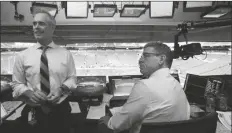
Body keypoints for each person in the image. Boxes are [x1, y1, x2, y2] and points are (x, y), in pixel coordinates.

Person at [100, 42, 190, 133]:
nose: (140, 60)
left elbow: (119, 124)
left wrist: (109, 121)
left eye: (146, 56)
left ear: (161, 59)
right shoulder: (176, 84)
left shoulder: (144, 86)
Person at [12, 11, 76, 133]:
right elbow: (16, 84)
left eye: (41, 23)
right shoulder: (22, 56)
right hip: (33, 111)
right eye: (34, 23)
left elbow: (72, 78)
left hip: (60, 111)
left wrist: (60, 89)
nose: (36, 27)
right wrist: (29, 93)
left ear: (52, 27)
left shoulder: (65, 54)